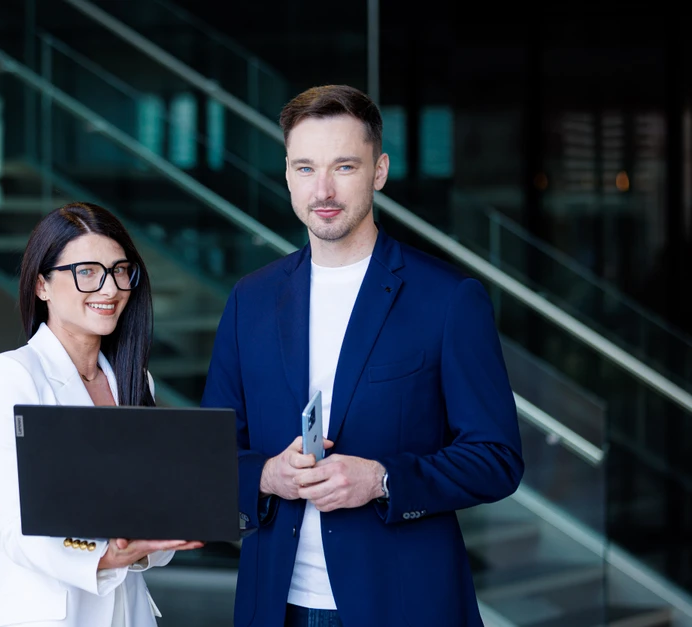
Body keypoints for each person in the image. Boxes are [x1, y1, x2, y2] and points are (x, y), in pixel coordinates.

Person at [201, 85, 524, 627]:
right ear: (287, 175)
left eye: (344, 166)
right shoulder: (250, 300)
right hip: (274, 606)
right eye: (306, 168)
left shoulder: (447, 299)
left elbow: (497, 459)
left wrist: (382, 480)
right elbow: (209, 455)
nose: (323, 189)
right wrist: (268, 476)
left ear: (379, 171)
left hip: (404, 606)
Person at [0, 202, 202, 627]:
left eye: (119, 271)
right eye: (87, 272)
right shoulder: (9, 376)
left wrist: (158, 536)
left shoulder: (135, 381)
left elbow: (151, 510)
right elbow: (18, 525)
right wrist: (105, 556)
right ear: (41, 285)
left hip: (127, 612)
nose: (109, 289)